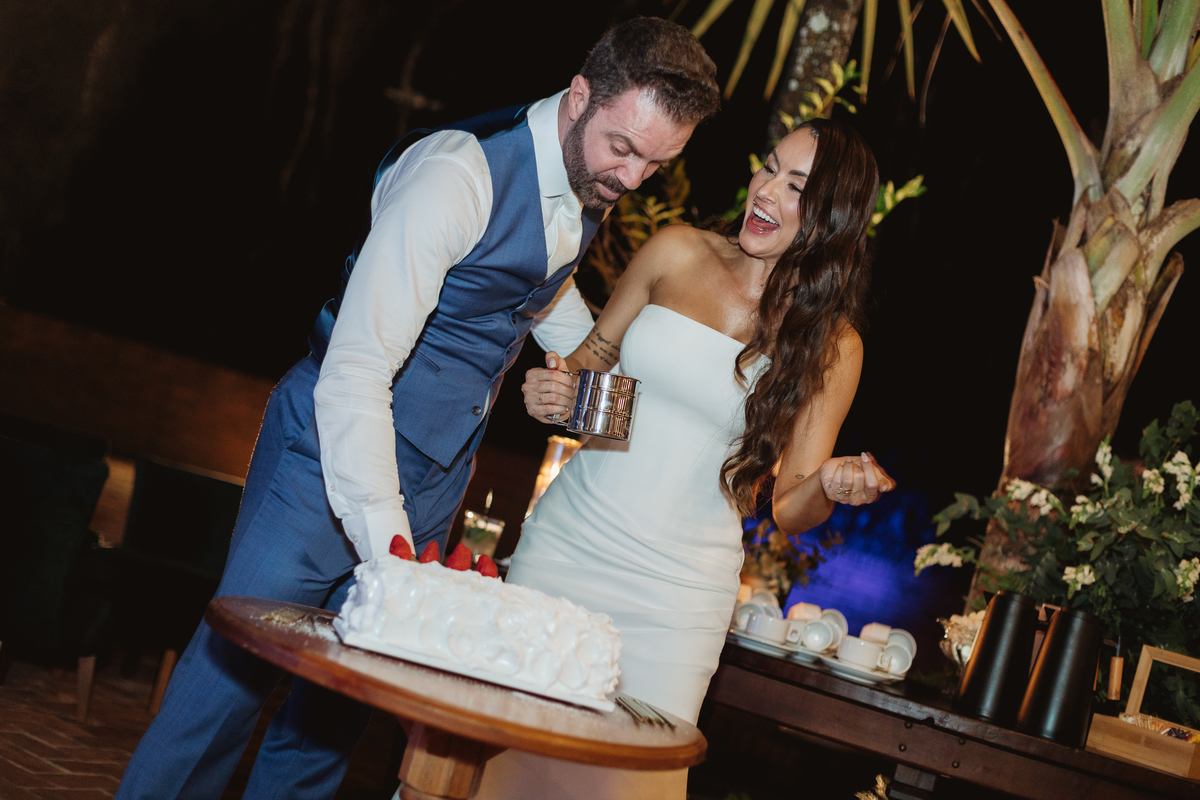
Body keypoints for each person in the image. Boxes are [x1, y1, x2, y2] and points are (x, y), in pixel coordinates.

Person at [114, 18, 720, 800]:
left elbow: (536, 283)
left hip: (437, 476)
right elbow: (355, 370)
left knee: (331, 721)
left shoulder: (583, 176)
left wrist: (618, 370)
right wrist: (390, 551)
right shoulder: (455, 177)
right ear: (579, 96)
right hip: (324, 459)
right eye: (624, 148)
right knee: (226, 688)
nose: (633, 177)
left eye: (657, 164)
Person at [475, 117, 894, 800]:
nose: (766, 190)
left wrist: (828, 482)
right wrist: (555, 391)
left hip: (679, 598)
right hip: (568, 547)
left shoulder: (833, 345)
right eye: (768, 168)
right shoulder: (675, 250)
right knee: (496, 758)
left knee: (626, 786)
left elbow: (792, 509)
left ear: (833, 218)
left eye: (796, 187)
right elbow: (591, 365)